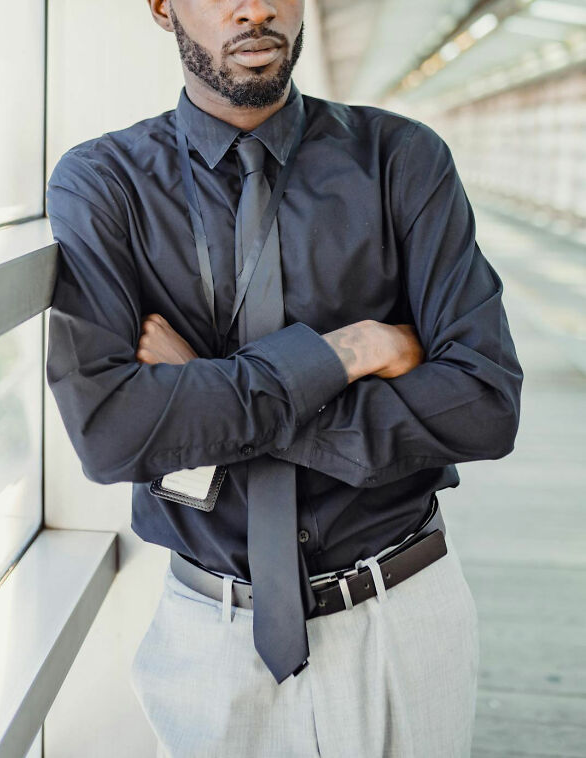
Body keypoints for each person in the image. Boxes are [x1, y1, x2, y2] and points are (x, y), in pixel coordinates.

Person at [44, 0, 523, 755]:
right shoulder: (105, 183)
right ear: (162, 6)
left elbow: (485, 406)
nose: (257, 7)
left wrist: (204, 388)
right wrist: (347, 353)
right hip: (210, 633)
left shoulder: (402, 159)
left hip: (401, 614)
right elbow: (113, 434)